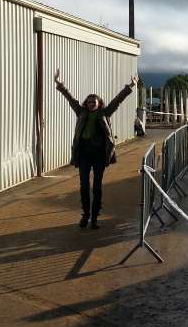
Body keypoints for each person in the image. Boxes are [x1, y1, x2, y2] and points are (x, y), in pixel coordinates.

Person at [54, 68, 137, 229]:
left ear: (99, 103)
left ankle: (94, 218)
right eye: (89, 102)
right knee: (84, 187)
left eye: (94, 102)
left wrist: (130, 86)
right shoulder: (81, 111)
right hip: (84, 155)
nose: (91, 104)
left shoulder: (105, 113)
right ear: (86, 103)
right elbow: (70, 99)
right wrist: (60, 84)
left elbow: (118, 100)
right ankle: (85, 215)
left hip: (99, 155)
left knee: (97, 187)